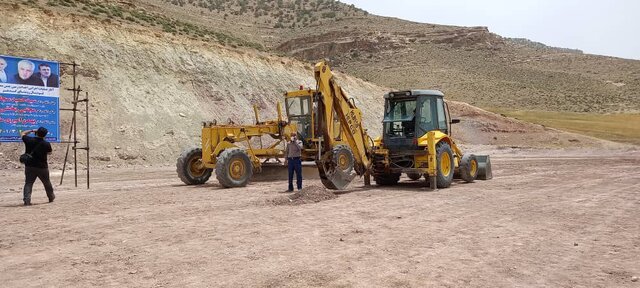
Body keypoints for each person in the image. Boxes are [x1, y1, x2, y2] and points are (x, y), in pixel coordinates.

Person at [20, 127, 55, 206]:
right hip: (42, 167)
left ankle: (27, 200)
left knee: (28, 183)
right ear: (45, 135)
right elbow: (49, 153)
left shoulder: (29, 140)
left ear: (37, 132)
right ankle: (51, 197)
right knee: (46, 182)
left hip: (29, 166)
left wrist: (32, 130)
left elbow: (23, 133)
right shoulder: (46, 143)